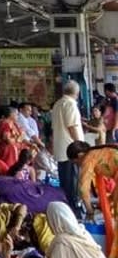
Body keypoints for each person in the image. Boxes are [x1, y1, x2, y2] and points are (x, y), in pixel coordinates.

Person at [67, 140, 118, 258]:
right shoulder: (99, 152)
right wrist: (111, 199)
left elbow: (83, 190)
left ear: (79, 156)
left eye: (75, 163)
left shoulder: (88, 158)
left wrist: (89, 211)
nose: (78, 166)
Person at [50, 80, 83, 212]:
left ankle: (67, 209)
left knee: (65, 183)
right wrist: (80, 147)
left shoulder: (58, 104)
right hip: (71, 151)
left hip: (61, 149)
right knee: (73, 184)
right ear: (77, 93)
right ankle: (74, 211)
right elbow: (72, 127)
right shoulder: (70, 104)